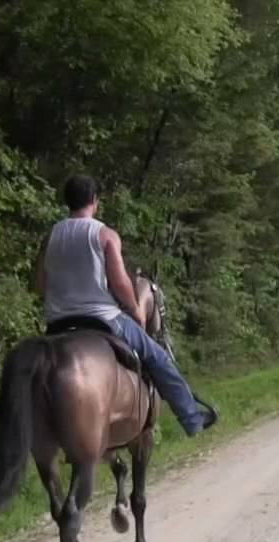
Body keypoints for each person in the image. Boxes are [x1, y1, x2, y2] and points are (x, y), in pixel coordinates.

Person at [33, 175, 218, 437]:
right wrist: (135, 310)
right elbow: (120, 283)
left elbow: (40, 285)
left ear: (67, 202)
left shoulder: (50, 236)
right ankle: (191, 417)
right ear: (95, 201)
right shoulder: (105, 235)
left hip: (57, 323)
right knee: (158, 357)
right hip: (102, 318)